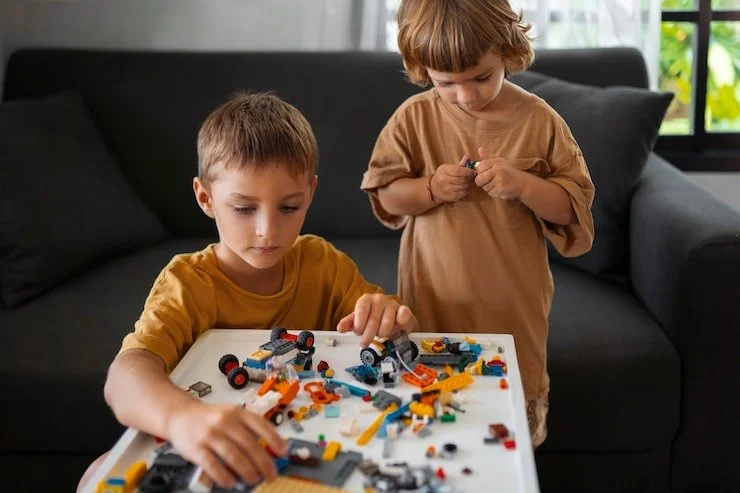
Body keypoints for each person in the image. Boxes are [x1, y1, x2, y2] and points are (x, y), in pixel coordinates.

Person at [78, 92, 418, 492]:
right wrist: (183, 419)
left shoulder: (324, 264)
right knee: (96, 475)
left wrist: (389, 315)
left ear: (310, 193)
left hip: (310, 448)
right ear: (205, 198)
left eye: (289, 208)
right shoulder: (188, 283)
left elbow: (395, 328)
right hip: (210, 451)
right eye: (243, 208)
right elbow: (124, 378)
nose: (267, 232)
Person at [360, 0, 595, 448]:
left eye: (481, 77)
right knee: (432, 426)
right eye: (446, 82)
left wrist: (524, 185)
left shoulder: (540, 121)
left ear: (506, 49)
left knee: (505, 434)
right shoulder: (414, 117)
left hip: (512, 310)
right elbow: (385, 192)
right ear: (420, 66)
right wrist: (429, 188)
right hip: (431, 301)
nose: (466, 95)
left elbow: (572, 210)